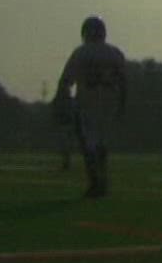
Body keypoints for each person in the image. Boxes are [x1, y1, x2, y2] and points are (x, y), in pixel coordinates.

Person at [54, 16, 126, 199]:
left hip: (87, 101)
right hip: (110, 101)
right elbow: (123, 81)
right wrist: (122, 103)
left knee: (88, 144)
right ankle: (103, 179)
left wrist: (60, 100)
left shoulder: (81, 52)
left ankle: (95, 181)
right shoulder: (115, 53)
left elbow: (66, 81)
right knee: (102, 144)